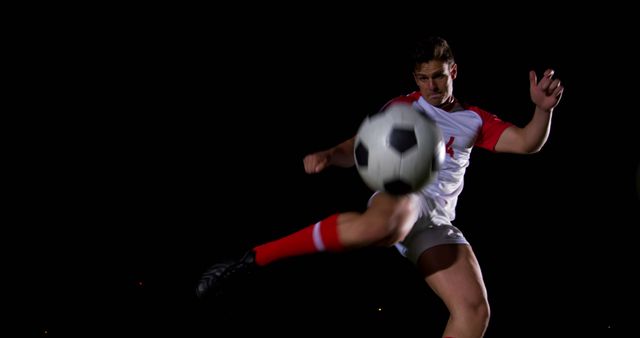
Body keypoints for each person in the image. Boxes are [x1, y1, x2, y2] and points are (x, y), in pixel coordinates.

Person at [196, 36, 564, 337]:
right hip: (405, 195)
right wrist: (329, 154)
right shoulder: (404, 108)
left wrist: (542, 110)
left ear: (453, 71)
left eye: (438, 76)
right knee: (383, 227)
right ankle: (254, 258)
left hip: (438, 220)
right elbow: (359, 146)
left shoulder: (474, 119)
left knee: (473, 310)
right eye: (423, 78)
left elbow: (527, 142)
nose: (431, 86)